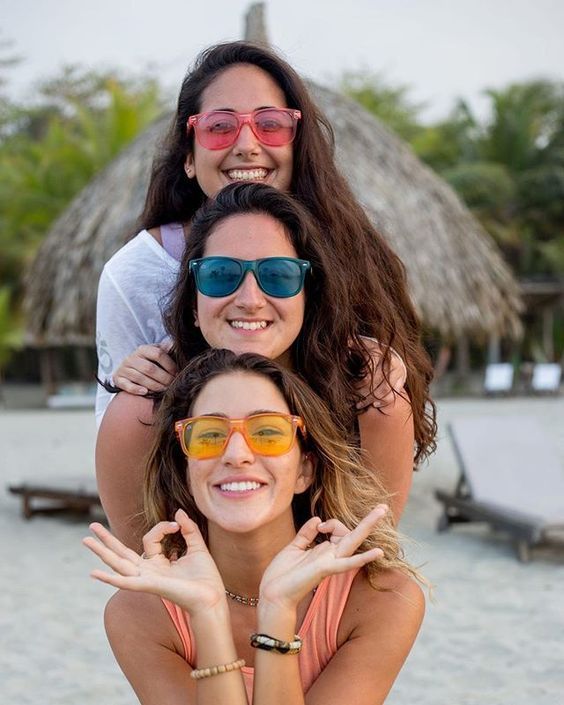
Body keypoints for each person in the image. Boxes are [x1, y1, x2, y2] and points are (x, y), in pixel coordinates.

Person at [95, 40, 435, 453]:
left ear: (298, 144)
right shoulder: (136, 273)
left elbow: (385, 445)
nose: (247, 144)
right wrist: (131, 383)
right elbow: (119, 440)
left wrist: (385, 375)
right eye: (220, 126)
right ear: (189, 155)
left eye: (270, 123)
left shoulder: (346, 253)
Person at [85, 349, 425, 705]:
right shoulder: (139, 614)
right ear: (186, 472)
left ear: (304, 470)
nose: (236, 454)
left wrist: (277, 608)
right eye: (208, 435)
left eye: (267, 432)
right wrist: (207, 612)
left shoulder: (380, 599)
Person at [97, 184, 427, 549]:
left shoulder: (372, 400)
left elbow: (372, 566)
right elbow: (143, 582)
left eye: (279, 275)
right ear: (193, 303)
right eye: (220, 274)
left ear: (308, 296)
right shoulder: (141, 413)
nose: (250, 300)